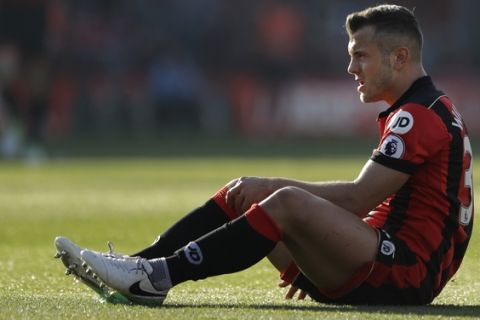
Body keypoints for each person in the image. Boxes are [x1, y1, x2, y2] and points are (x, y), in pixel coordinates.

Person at [55, 4, 474, 306]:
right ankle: (137, 265)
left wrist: (284, 199)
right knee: (245, 192)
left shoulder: (418, 117)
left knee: (283, 199)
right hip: (386, 259)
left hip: (403, 271)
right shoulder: (426, 109)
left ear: (399, 57)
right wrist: (321, 246)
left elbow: (357, 198)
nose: (352, 69)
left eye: (360, 56)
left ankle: (157, 277)